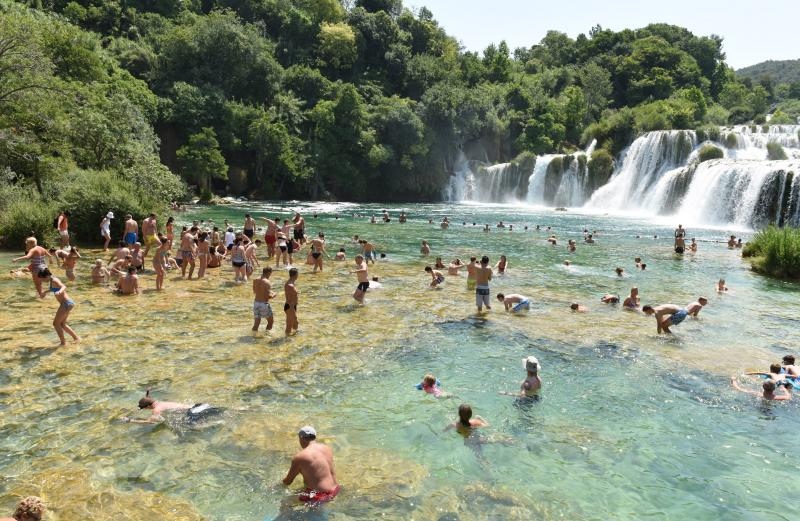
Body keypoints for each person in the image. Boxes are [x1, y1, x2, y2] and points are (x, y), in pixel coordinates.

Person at [282, 426, 340, 505]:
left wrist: (275, 485)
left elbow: (288, 482)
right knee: (300, 491)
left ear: (301, 438)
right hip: (335, 490)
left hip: (319, 496)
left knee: (285, 502)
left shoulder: (300, 457)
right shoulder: (326, 448)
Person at [38, 268, 79, 345]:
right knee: (62, 324)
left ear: (46, 276)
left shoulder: (54, 280)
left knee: (56, 324)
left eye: (42, 279)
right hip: (68, 303)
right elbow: (54, 289)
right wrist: (45, 292)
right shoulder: (52, 280)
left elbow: (63, 286)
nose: (42, 281)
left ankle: (63, 343)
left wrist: (60, 291)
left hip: (66, 303)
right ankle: (76, 338)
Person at [252, 267, 276, 332]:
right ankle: (267, 336)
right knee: (270, 322)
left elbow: (255, 292)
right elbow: (268, 297)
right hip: (264, 304)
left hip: (256, 303)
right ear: (268, 273)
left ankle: (254, 336)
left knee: (256, 323)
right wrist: (274, 294)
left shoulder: (255, 280)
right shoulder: (267, 282)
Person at [284, 267, 299, 336]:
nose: (298, 275)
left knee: (291, 324)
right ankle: (288, 338)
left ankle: (290, 337)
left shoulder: (292, 283)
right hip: (290, 306)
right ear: (295, 275)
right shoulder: (290, 285)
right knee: (294, 323)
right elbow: (289, 299)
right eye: (297, 274)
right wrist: (292, 308)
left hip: (292, 306)